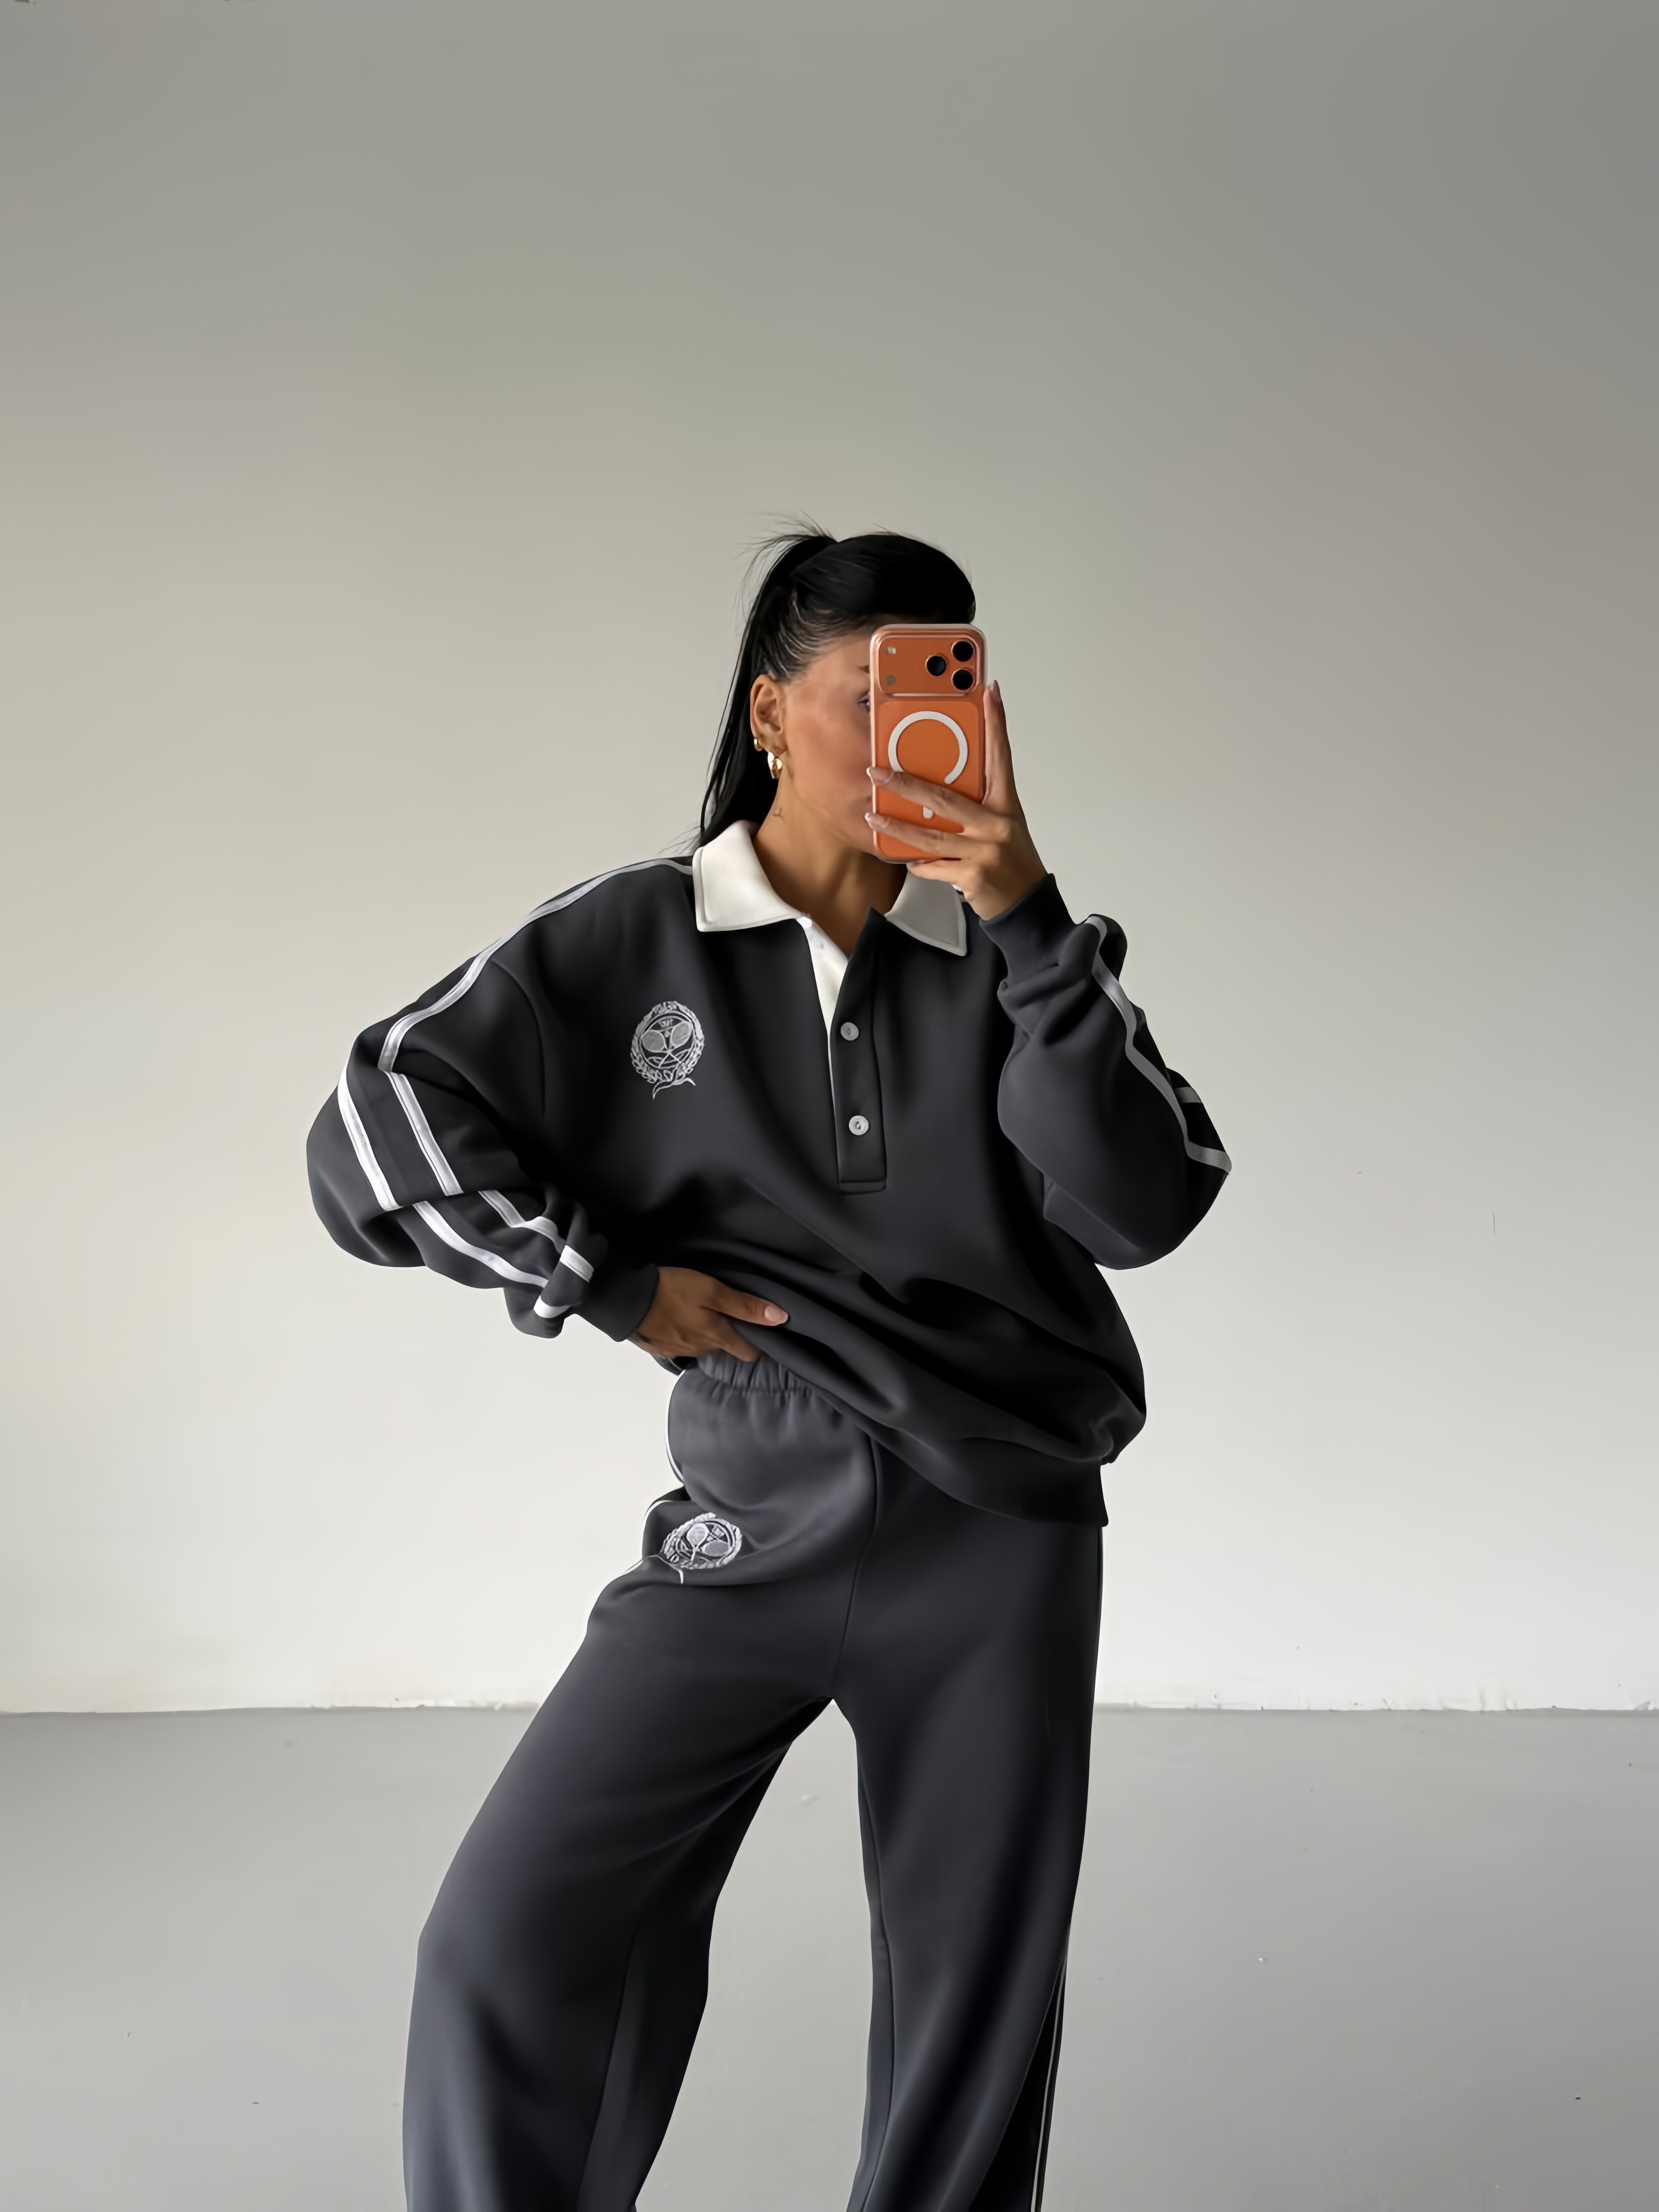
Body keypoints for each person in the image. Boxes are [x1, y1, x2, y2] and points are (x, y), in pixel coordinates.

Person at [306, 529, 1229, 2212]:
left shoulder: (1025, 957)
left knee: (971, 2012)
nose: (912, 731)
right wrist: (601, 1280)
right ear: (768, 713)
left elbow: (1147, 1199)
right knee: (509, 1934)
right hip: (750, 1507)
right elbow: (377, 1121)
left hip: (1000, 1526)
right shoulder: (632, 934)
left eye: (948, 692)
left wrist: (1028, 918)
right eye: (865, 694)